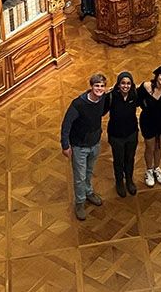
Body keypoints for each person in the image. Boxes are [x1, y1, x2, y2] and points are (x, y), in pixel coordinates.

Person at [60, 73, 108, 221]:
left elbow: (102, 112)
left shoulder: (103, 98)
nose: (99, 89)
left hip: (95, 143)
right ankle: (80, 202)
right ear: (91, 87)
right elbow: (66, 125)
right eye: (96, 86)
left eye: (102, 86)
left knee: (89, 171)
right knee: (79, 176)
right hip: (79, 146)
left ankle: (89, 192)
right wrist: (65, 145)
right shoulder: (78, 104)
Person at [104, 71, 139, 197]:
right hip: (116, 135)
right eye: (123, 83)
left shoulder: (134, 94)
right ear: (118, 85)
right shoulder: (111, 97)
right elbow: (101, 111)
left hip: (131, 133)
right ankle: (119, 182)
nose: (125, 86)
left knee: (130, 158)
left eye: (128, 83)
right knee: (118, 160)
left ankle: (129, 180)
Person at [138, 65, 161, 187]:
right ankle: (149, 170)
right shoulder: (146, 86)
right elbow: (136, 98)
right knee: (150, 147)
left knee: (159, 146)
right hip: (147, 121)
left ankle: (157, 168)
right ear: (157, 76)